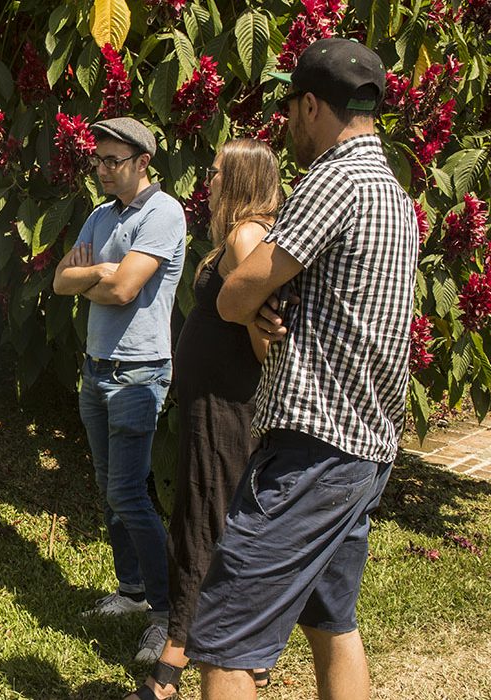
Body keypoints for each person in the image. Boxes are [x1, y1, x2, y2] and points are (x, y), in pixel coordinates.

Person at [184, 38, 419, 700]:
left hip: (312, 450)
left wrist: (252, 306)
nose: (288, 126)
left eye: (292, 111)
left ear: (312, 105)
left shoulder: (335, 180)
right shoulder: (395, 196)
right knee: (330, 622)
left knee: (225, 640)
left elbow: (234, 294)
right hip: (367, 448)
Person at [126, 139, 284, 700]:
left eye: (217, 173)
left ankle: (180, 650)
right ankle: (219, 643)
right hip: (207, 404)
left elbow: (267, 342)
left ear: (240, 180)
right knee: (201, 511)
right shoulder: (234, 238)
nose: (209, 181)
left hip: (227, 408)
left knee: (206, 517)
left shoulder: (248, 237)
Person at [52, 116, 187, 664]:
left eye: (114, 161)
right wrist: (98, 274)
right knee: (111, 488)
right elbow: (61, 280)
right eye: (99, 160)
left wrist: (101, 275)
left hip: (138, 371)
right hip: (97, 366)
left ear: (142, 163)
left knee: (129, 493)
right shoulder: (100, 215)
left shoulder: (164, 212)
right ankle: (131, 591)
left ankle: (166, 613)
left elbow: (127, 288)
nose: (103, 170)